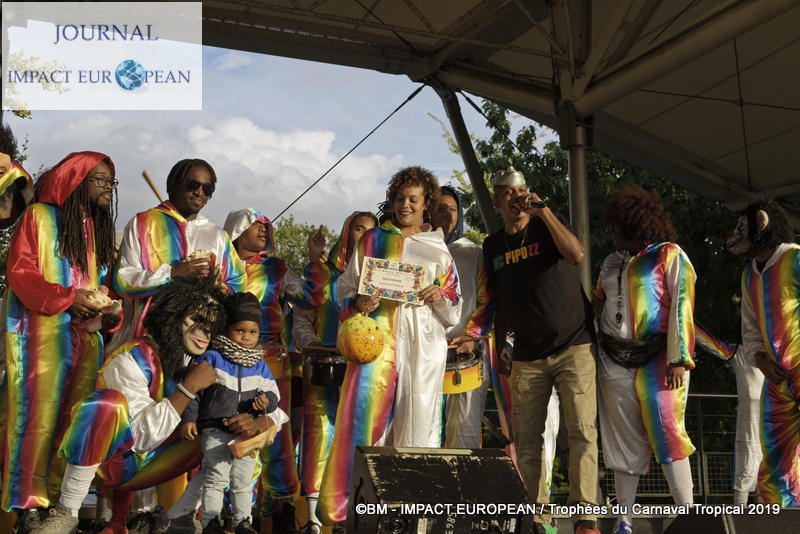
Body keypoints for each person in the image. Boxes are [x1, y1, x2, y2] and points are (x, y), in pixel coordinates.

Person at [33, 276, 276, 534]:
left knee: (217, 435)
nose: (205, 333)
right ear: (173, 315)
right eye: (197, 321)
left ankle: (178, 516)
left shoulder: (204, 360)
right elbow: (138, 439)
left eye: (211, 326)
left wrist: (260, 421)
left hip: (158, 461)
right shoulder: (132, 357)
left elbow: (274, 411)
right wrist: (188, 388)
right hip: (115, 463)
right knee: (105, 404)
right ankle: (67, 512)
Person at [318, 166, 461, 527]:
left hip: (425, 344)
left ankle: (414, 517)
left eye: (414, 199)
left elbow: (454, 307)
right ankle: (358, 514)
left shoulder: (438, 249)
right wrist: (359, 302)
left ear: (426, 203)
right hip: (377, 344)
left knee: (420, 424)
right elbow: (344, 289)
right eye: (399, 198)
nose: (405, 205)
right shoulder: (372, 241)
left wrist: (438, 295)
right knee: (367, 423)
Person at [2, 152, 122, 533]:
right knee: (35, 419)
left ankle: (56, 504)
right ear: (76, 179)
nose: (108, 188)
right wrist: (71, 298)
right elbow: (21, 271)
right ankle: (27, 505)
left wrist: (109, 310)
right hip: (41, 336)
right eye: (100, 179)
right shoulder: (39, 217)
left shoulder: (95, 229)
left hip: (85, 341)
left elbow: (99, 285)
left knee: (73, 421)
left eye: (110, 182)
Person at [483, 167, 598, 534]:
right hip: (526, 355)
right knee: (527, 440)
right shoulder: (493, 245)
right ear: (497, 200)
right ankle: (535, 517)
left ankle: (585, 516)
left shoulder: (546, 225)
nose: (516, 199)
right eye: (508, 194)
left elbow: (578, 255)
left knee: (580, 429)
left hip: (573, 344)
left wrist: (542, 210)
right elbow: (498, 300)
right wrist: (503, 351)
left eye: (521, 193)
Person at [593, 185, 697, 534]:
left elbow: (682, 303)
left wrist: (679, 358)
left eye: (616, 225)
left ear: (633, 223)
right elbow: (597, 304)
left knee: (667, 432)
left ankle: (688, 516)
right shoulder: (610, 261)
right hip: (613, 357)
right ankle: (624, 521)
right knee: (623, 440)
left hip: (659, 358)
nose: (610, 232)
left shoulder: (669, 254)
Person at [292, 211, 377, 534]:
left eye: (371, 231)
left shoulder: (376, 278)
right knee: (318, 431)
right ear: (347, 233)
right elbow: (301, 314)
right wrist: (309, 344)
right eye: (358, 229)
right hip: (321, 363)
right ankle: (313, 518)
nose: (363, 236)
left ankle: (348, 514)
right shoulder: (322, 272)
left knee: (356, 433)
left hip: (361, 370)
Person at [181, 291, 288, 534]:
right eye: (239, 330)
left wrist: (266, 403)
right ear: (227, 329)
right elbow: (193, 391)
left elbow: (274, 394)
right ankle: (210, 521)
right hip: (215, 430)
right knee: (215, 477)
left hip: (246, 434)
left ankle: (242, 522)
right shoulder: (213, 357)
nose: (246, 338)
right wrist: (189, 419)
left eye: (252, 332)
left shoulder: (259, 363)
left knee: (243, 480)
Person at [112, 158, 246, 351]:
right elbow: (121, 280)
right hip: (148, 341)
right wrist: (172, 274)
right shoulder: (142, 223)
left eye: (207, 189)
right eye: (193, 185)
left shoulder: (217, 235)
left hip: (199, 346)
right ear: (173, 185)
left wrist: (218, 286)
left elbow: (238, 284)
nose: (200, 192)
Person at [726, 200, 800, 506]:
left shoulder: (795, 259)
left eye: (742, 226)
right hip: (778, 379)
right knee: (775, 458)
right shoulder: (749, 276)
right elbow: (751, 330)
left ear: (762, 222)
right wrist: (760, 360)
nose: (734, 234)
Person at [694, 327, 763, 506]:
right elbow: (708, 343)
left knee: (780, 474)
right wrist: (684, 315)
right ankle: (738, 517)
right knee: (745, 467)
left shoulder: (785, 357)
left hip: (779, 426)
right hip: (750, 425)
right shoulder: (741, 352)